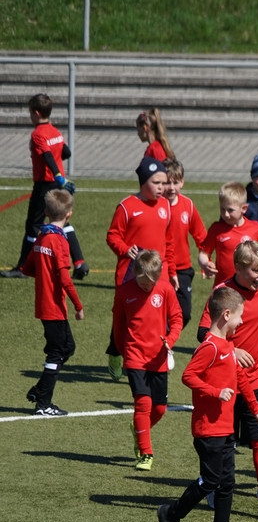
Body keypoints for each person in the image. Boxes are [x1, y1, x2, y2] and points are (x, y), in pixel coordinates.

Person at [157, 286, 258, 522]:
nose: (241, 321)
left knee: (227, 484)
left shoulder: (228, 346)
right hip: (208, 430)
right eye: (239, 316)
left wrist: (256, 409)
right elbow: (188, 376)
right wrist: (215, 392)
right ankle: (171, 514)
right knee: (211, 481)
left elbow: (241, 379)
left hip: (226, 429)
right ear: (226, 315)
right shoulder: (210, 347)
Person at [197, 241, 258, 520]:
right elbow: (203, 333)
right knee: (223, 440)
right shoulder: (222, 293)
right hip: (224, 380)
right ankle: (214, 485)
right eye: (256, 271)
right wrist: (231, 351)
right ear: (238, 267)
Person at [105, 157, 175, 380]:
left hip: (158, 274)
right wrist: (126, 250)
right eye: (156, 183)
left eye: (163, 183)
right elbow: (112, 236)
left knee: (158, 316)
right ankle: (116, 351)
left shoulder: (165, 206)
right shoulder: (126, 207)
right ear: (143, 182)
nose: (161, 188)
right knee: (126, 318)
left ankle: (152, 359)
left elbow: (168, 241)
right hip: (130, 274)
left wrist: (172, 272)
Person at [112, 250, 182, 471]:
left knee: (159, 409)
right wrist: (123, 350)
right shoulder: (124, 292)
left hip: (158, 357)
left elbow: (177, 318)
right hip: (134, 356)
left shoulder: (165, 289)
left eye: (150, 283)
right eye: (142, 282)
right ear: (135, 273)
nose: (146, 287)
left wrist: (170, 339)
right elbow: (118, 325)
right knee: (143, 404)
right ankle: (145, 453)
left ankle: (139, 429)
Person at [4, 93, 87, 280]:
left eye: (30, 113)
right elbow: (66, 152)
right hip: (58, 183)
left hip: (45, 184)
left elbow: (48, 156)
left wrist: (56, 174)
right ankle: (80, 262)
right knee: (62, 221)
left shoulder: (38, 134)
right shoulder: (55, 131)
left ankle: (23, 267)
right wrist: (60, 174)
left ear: (36, 113)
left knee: (33, 225)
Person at [22, 189, 83, 416]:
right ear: (69, 214)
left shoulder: (42, 236)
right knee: (57, 352)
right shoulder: (59, 241)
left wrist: (45, 276)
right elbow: (65, 279)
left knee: (68, 348)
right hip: (54, 307)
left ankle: (40, 389)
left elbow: (27, 268)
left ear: (46, 211)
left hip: (43, 304)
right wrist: (78, 305)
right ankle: (43, 404)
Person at [163, 158, 208, 327]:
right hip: (161, 268)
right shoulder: (157, 206)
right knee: (160, 311)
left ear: (182, 182)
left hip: (183, 270)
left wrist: (206, 261)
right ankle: (160, 341)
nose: (171, 187)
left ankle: (165, 337)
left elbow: (201, 235)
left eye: (175, 182)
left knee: (185, 314)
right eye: (167, 182)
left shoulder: (187, 205)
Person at [198, 182, 258, 284]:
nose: (226, 214)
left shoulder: (255, 228)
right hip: (224, 286)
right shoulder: (216, 229)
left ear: (244, 209)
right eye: (222, 209)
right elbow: (203, 254)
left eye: (230, 210)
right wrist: (205, 264)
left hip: (250, 285)